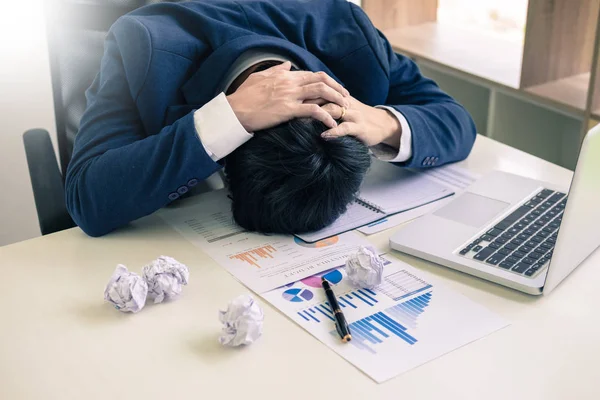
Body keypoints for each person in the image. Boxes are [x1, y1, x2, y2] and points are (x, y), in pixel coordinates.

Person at [65, 0, 477, 237]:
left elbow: (458, 123)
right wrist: (228, 119)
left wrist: (382, 122)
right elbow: (88, 199)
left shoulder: (349, 31)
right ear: (224, 170)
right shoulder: (145, 45)